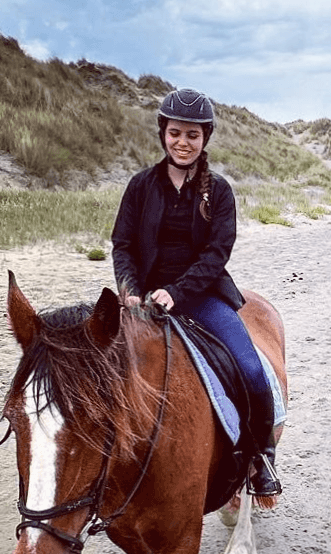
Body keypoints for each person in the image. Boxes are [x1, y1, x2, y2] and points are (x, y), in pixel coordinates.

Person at [111, 88, 281, 498]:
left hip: (202, 295)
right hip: (144, 302)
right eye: (175, 133)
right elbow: (123, 245)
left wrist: (177, 291)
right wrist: (130, 290)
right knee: (98, 370)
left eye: (191, 135)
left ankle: (261, 458)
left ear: (205, 138)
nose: (182, 142)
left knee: (251, 368)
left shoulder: (218, 191)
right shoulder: (140, 186)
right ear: (162, 134)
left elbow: (216, 253)